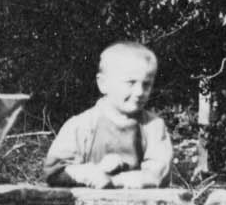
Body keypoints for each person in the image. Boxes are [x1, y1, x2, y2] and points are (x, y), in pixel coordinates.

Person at [43, 40, 174, 189]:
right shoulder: (82, 125)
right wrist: (94, 172)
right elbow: (54, 172)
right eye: (131, 83)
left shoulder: (153, 127)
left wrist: (115, 181)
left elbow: (157, 174)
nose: (139, 92)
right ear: (103, 84)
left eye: (146, 84)